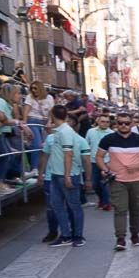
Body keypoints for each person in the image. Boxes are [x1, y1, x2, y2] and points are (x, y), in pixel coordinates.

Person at [97, 113, 139, 250]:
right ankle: (120, 239)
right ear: (116, 124)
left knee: (135, 209)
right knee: (120, 209)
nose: (123, 125)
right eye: (120, 123)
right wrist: (105, 169)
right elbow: (99, 157)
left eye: (127, 123)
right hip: (117, 180)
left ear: (131, 124)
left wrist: (137, 166)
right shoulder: (108, 139)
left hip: (138, 179)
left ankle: (135, 236)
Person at [37, 105, 87, 247]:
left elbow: (68, 154)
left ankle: (77, 235)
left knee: (74, 206)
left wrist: (67, 176)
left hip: (66, 175)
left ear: (52, 115)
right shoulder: (59, 131)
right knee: (57, 206)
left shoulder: (65, 132)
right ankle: (66, 235)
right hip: (55, 174)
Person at [85, 113, 113, 211]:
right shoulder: (90, 131)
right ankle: (102, 200)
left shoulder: (112, 133)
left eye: (107, 122)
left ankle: (106, 203)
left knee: (104, 183)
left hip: (106, 161)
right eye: (103, 121)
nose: (105, 124)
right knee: (95, 184)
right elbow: (86, 145)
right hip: (93, 161)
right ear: (98, 121)